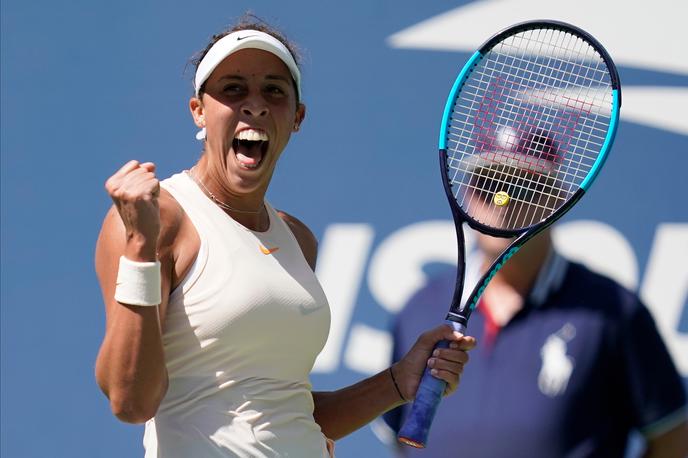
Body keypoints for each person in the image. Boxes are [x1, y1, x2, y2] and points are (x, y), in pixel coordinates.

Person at [93, 16, 475, 458]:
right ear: (198, 110)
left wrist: (396, 382)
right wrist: (140, 247)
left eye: (273, 90)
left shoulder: (297, 238)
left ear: (297, 117)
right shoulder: (158, 219)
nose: (254, 105)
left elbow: (287, 415)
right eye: (233, 89)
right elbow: (130, 401)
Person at [382, 129, 688, 457]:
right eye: (486, 185)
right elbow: (398, 439)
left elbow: (673, 434)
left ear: (558, 199)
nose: (503, 202)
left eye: (523, 186)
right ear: (466, 195)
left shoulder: (613, 311)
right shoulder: (418, 309)